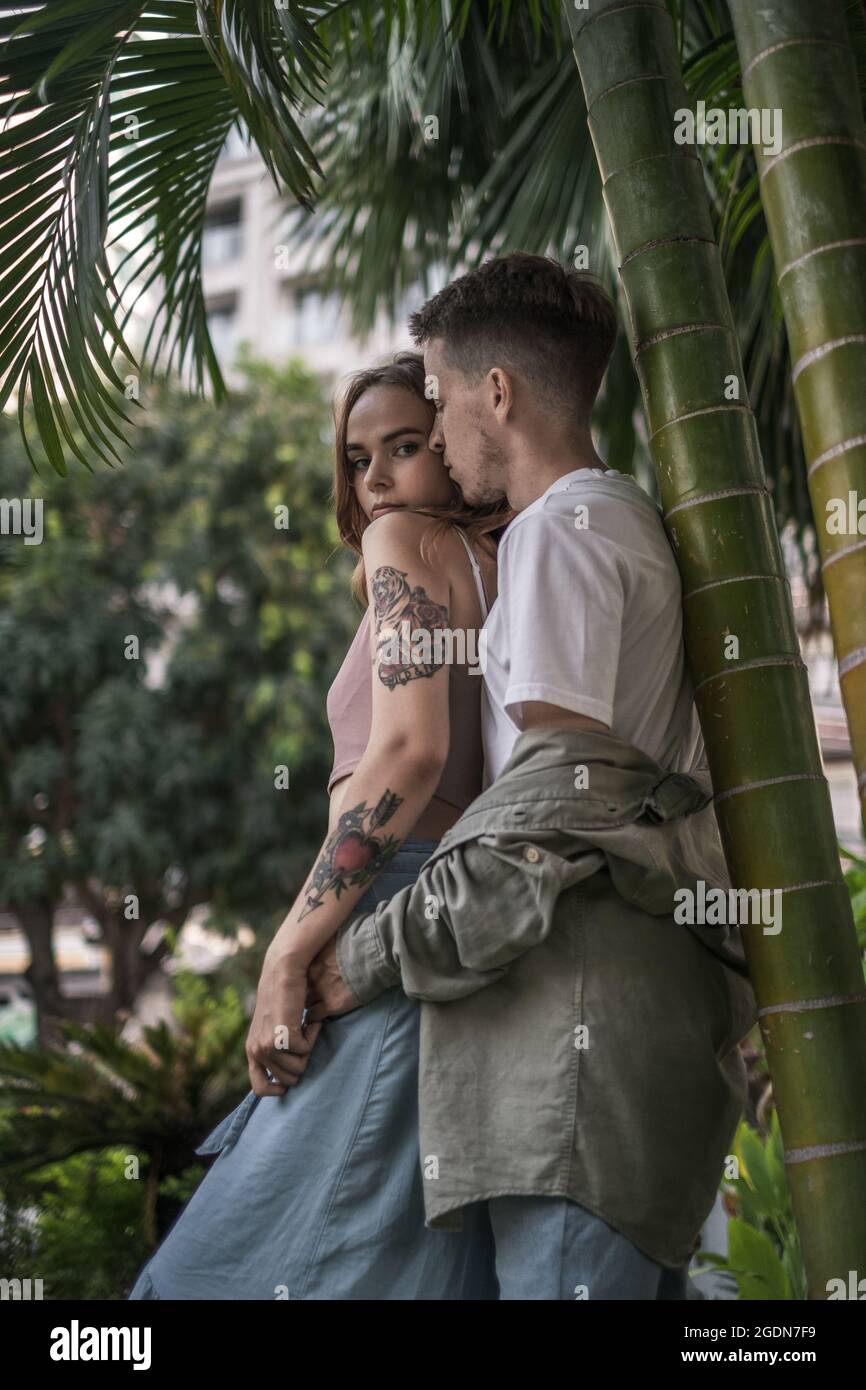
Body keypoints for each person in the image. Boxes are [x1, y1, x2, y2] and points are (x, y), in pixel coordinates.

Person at [306, 253, 751, 1300]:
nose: (442, 438)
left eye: (442, 401)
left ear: (493, 392)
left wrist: (349, 958)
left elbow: (544, 827)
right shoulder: (618, 518)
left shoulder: (557, 532)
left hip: (572, 1047)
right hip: (623, 1030)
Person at [127, 351, 512, 1300]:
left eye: (407, 447)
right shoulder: (505, 558)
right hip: (455, 934)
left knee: (216, 1275)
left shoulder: (408, 546)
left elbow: (410, 754)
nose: (375, 479)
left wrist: (286, 954)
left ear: (456, 445)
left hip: (383, 927)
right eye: (355, 458)